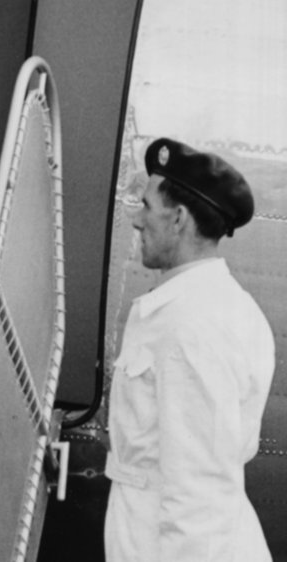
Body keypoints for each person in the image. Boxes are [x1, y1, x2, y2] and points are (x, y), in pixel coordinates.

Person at [104, 138, 274, 561]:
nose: (137, 221)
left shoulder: (193, 325)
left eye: (146, 206)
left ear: (178, 218)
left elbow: (199, 498)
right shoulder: (209, 306)